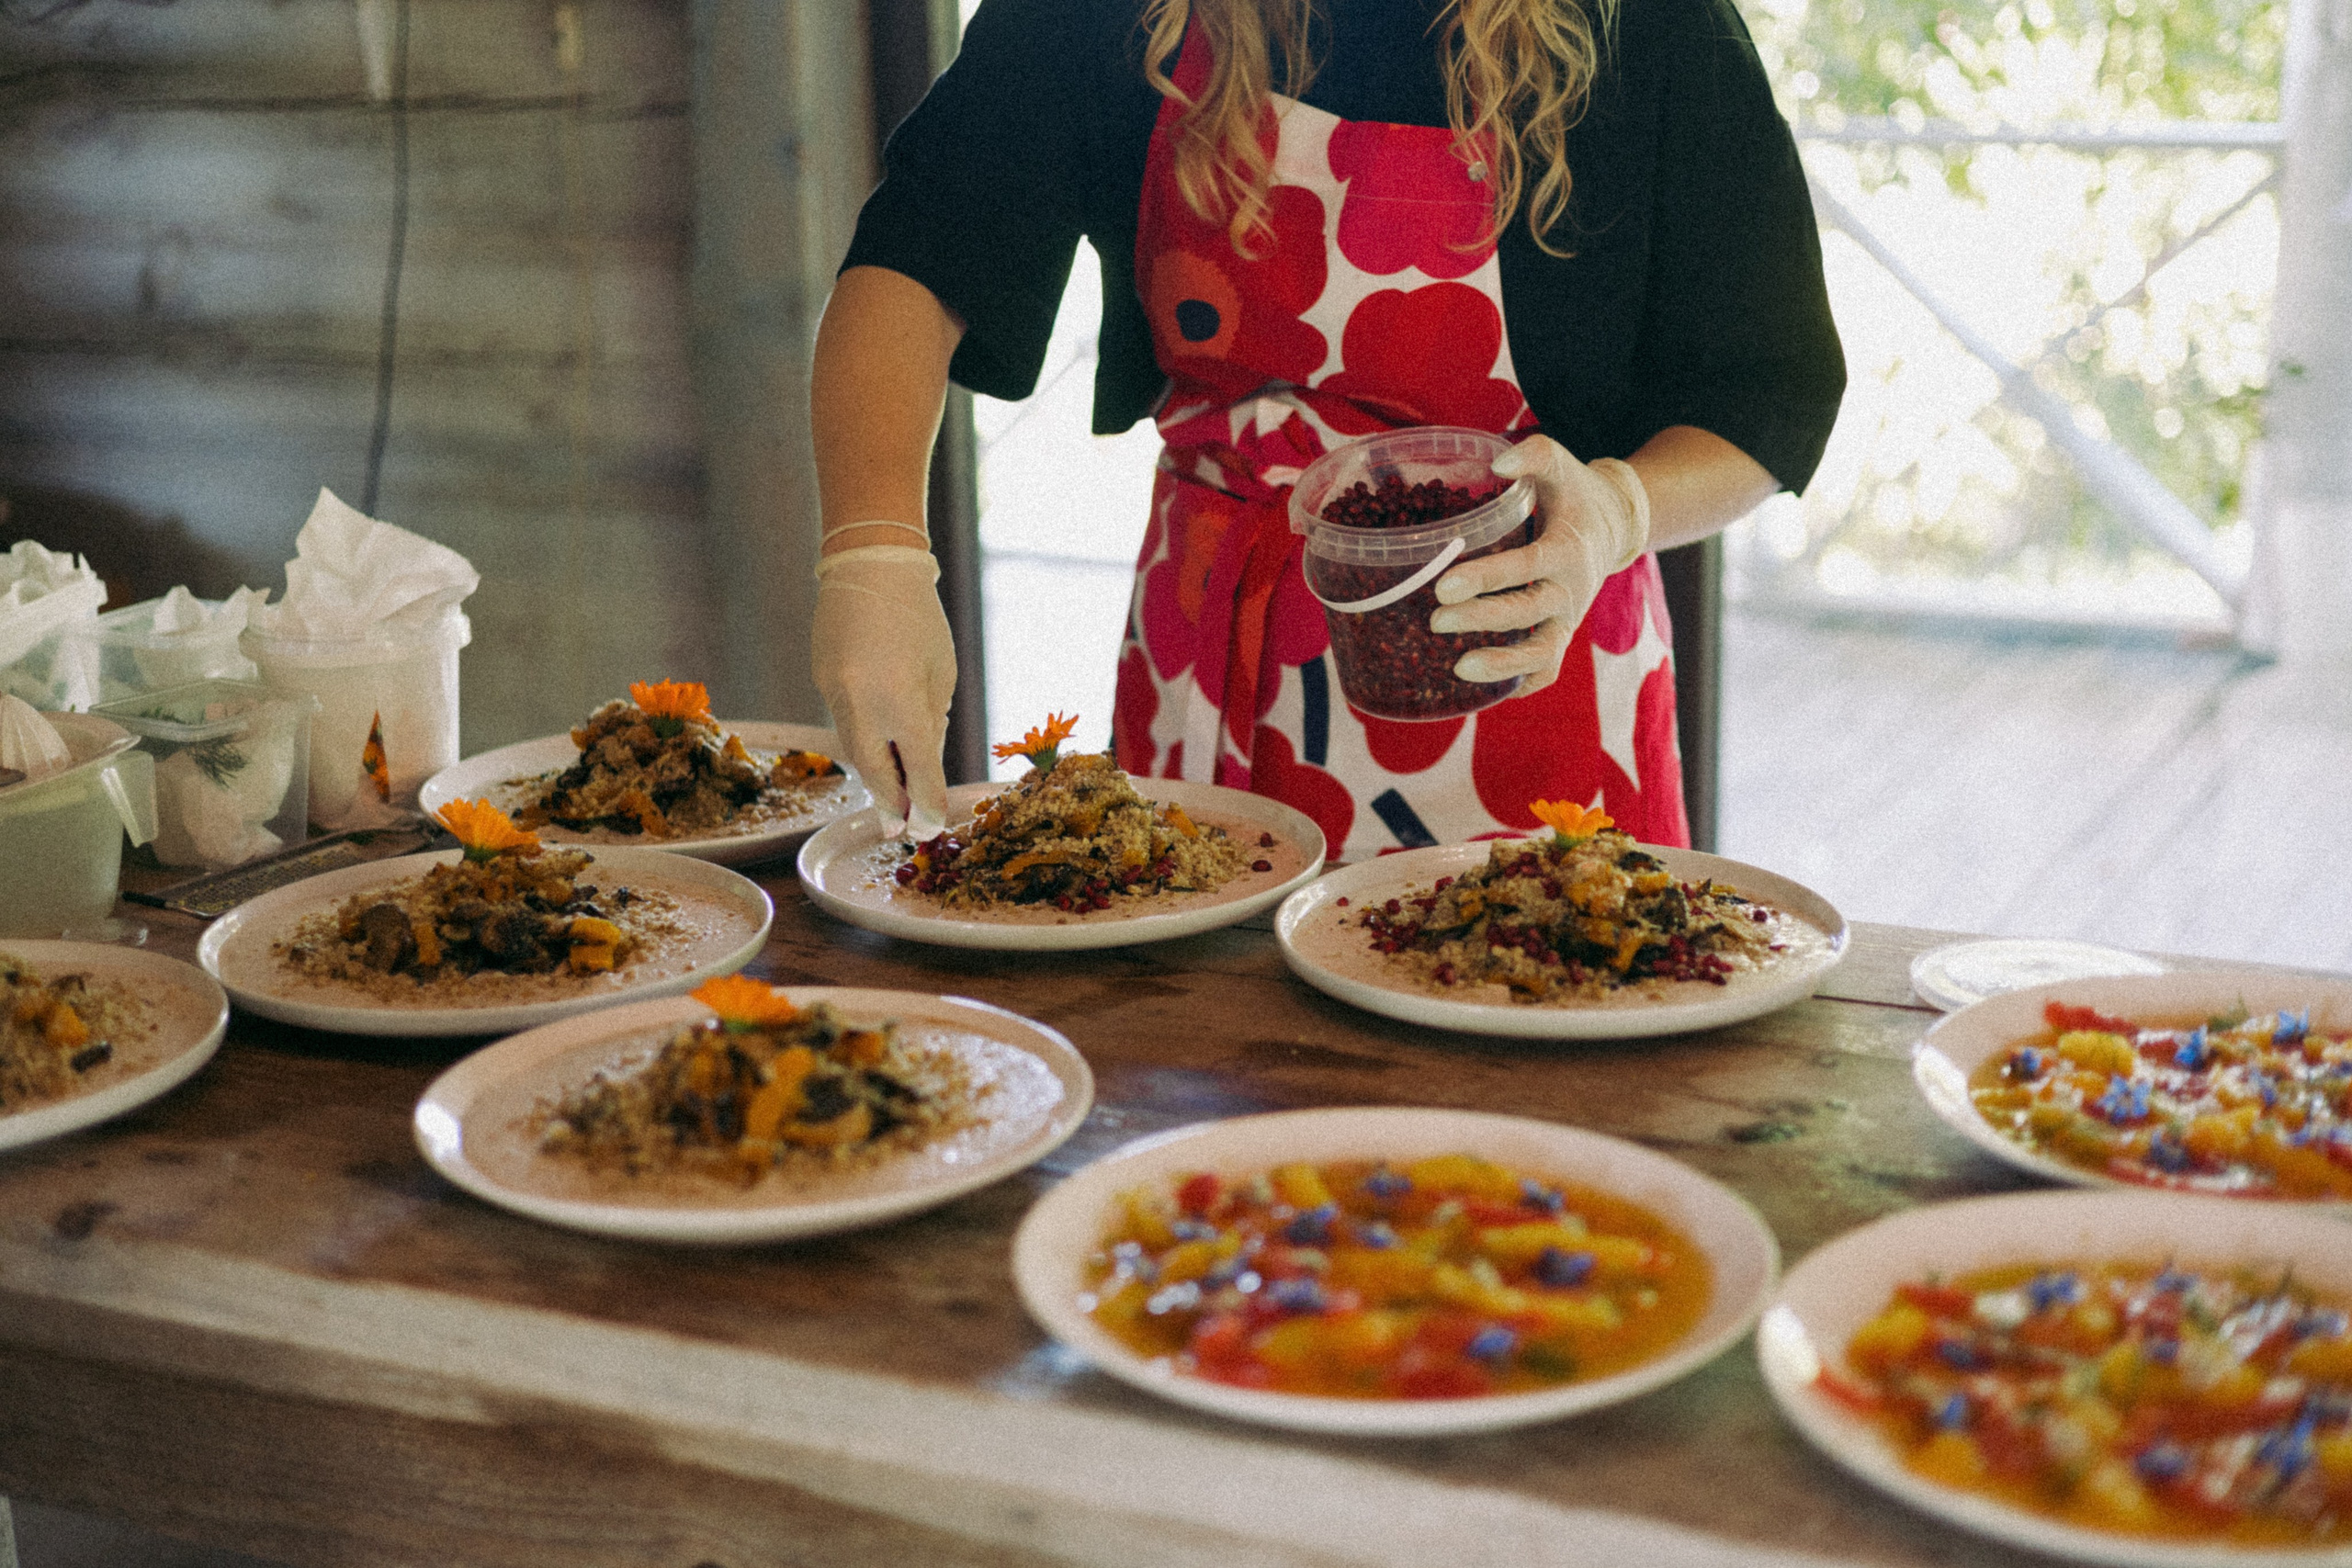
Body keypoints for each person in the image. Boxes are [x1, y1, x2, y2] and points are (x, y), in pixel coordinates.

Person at [810, 0, 1843, 856]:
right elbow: (918, 254)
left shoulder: (1648, 26)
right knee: (1211, 1058)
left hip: (1529, 653)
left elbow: (1761, 395)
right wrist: (875, 551)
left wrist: (1615, 513)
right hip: (1214, 655)